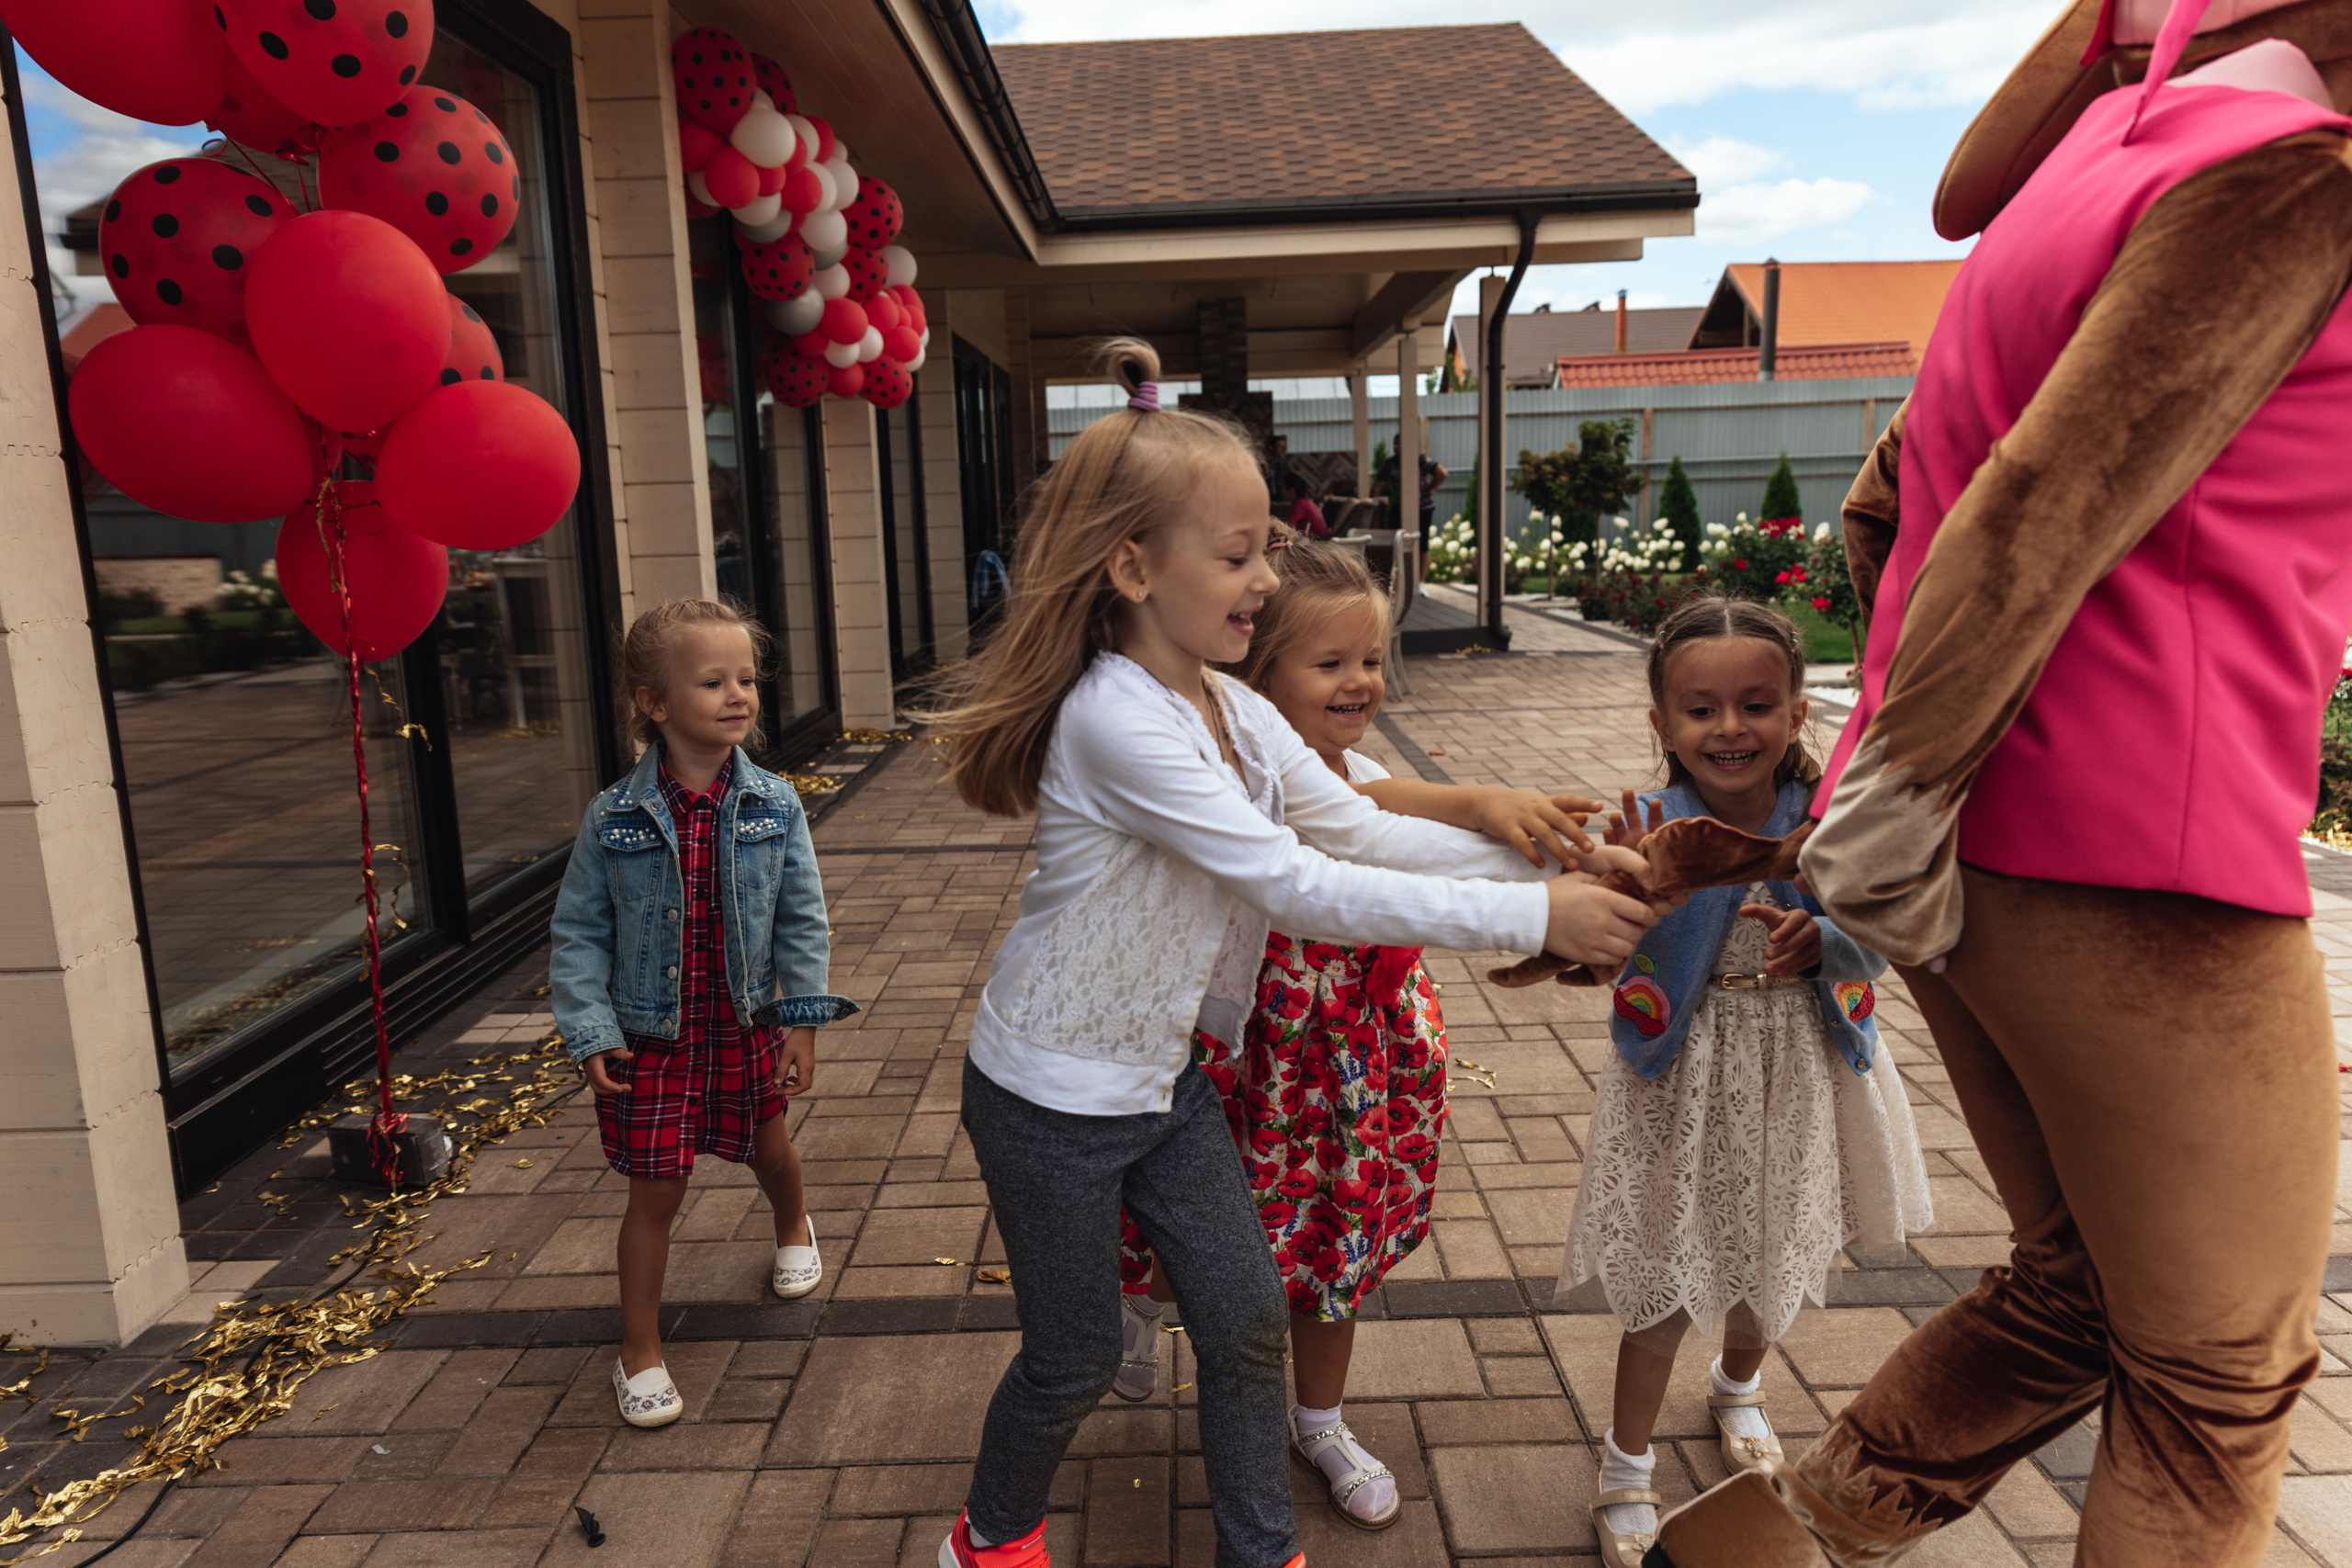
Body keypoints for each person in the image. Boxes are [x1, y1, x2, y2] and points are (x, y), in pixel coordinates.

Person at [1648, 6, 2352, 1562]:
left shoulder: (2101, 156)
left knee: (2077, 1296)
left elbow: (1889, 500)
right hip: (2142, 860)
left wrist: (1900, 788)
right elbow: (2035, 505)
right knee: (2219, 1382)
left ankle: (1747, 1558)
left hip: (1982, 846)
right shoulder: (2296, 181)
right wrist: (1897, 806)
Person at [926, 338, 1672, 1568]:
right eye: (1239, 553)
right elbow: (1298, 885)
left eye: (1266, 546)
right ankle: (990, 1537)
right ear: (1130, 566)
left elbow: (1356, 821)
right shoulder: (1120, 718)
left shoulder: (1234, 703)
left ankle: (1258, 1549)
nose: (1268, 576)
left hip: (1164, 1084)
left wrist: (1555, 868)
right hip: (1050, 1097)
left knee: (1243, 1324)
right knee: (1067, 1356)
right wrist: (1540, 922)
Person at [1109, 541, 1608, 1531]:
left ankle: (1320, 1419)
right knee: (1194, 1239)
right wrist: (1482, 817)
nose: (1360, 682)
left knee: (1334, 1245)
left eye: (1371, 660)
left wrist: (1545, 848)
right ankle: (1138, 1307)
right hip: (1265, 1056)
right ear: (1256, 679)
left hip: (1364, 1056)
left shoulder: (1360, 771)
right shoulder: (1236, 782)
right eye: (1329, 663)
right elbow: (1356, 826)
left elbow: (1385, 808)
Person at [1569, 597, 1929, 1568]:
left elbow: (1892, 931)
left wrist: (1834, 944)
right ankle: (1626, 1466)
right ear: (1661, 725)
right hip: (1679, 1076)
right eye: (1699, 710)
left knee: (1767, 1244)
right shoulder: (1647, 829)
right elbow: (1599, 946)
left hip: (1800, 1067)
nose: (1729, 729)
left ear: (1797, 709)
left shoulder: (1830, 823)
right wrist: (1607, 911)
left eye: (1756, 704)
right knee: (1662, 1274)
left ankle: (1737, 1386)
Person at [548, 598, 858, 1429]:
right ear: (652, 701)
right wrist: (591, 1032)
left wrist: (802, 1020)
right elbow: (578, 932)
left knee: (770, 1144)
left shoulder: (774, 804)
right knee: (656, 1190)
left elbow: (802, 918)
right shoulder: (614, 816)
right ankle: (639, 1350)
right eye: (713, 680)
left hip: (744, 1022)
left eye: (747, 678)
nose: (738, 694)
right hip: (653, 1034)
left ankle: (794, 1222)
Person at [1374, 446, 1448, 552]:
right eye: (1394, 443)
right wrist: (1373, 504)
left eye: (1400, 444)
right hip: (1400, 507)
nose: (1396, 447)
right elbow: (1378, 485)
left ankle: (1420, 569)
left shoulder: (1420, 460)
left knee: (1422, 544)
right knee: (1396, 539)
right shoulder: (1391, 463)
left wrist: (1431, 488)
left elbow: (1442, 473)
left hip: (1423, 507)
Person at [1276, 470, 1328, 539]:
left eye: (1280, 488)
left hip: (1316, 542)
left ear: (1291, 490)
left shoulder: (1300, 504)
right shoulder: (1308, 502)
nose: (1279, 492)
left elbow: (1288, 529)